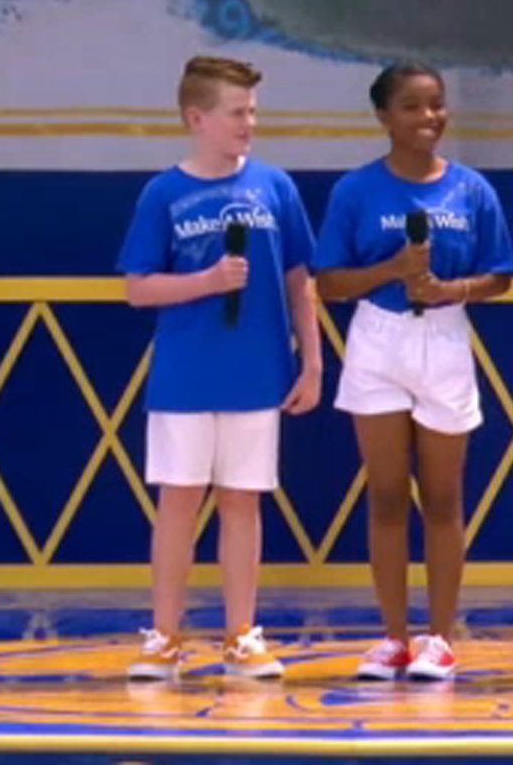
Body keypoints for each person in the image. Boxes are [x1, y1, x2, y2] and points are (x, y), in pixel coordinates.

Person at [117, 56, 322, 681]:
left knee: (242, 503)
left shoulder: (275, 188)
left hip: (257, 372)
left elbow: (299, 279)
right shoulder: (164, 193)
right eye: (236, 113)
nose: (248, 124)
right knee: (179, 502)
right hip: (185, 376)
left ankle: (242, 635)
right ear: (196, 118)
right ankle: (164, 636)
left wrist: (312, 361)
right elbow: (138, 288)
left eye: (252, 112)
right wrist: (205, 281)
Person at [312, 63, 513, 681]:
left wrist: (452, 288)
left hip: (445, 336)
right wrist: (393, 269)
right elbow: (329, 281)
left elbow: (500, 274)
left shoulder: (471, 190)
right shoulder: (355, 190)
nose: (429, 117)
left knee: (444, 496)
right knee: (386, 495)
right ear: (383, 116)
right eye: (412, 106)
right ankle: (393, 637)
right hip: (378, 336)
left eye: (436, 104)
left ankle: (440, 638)